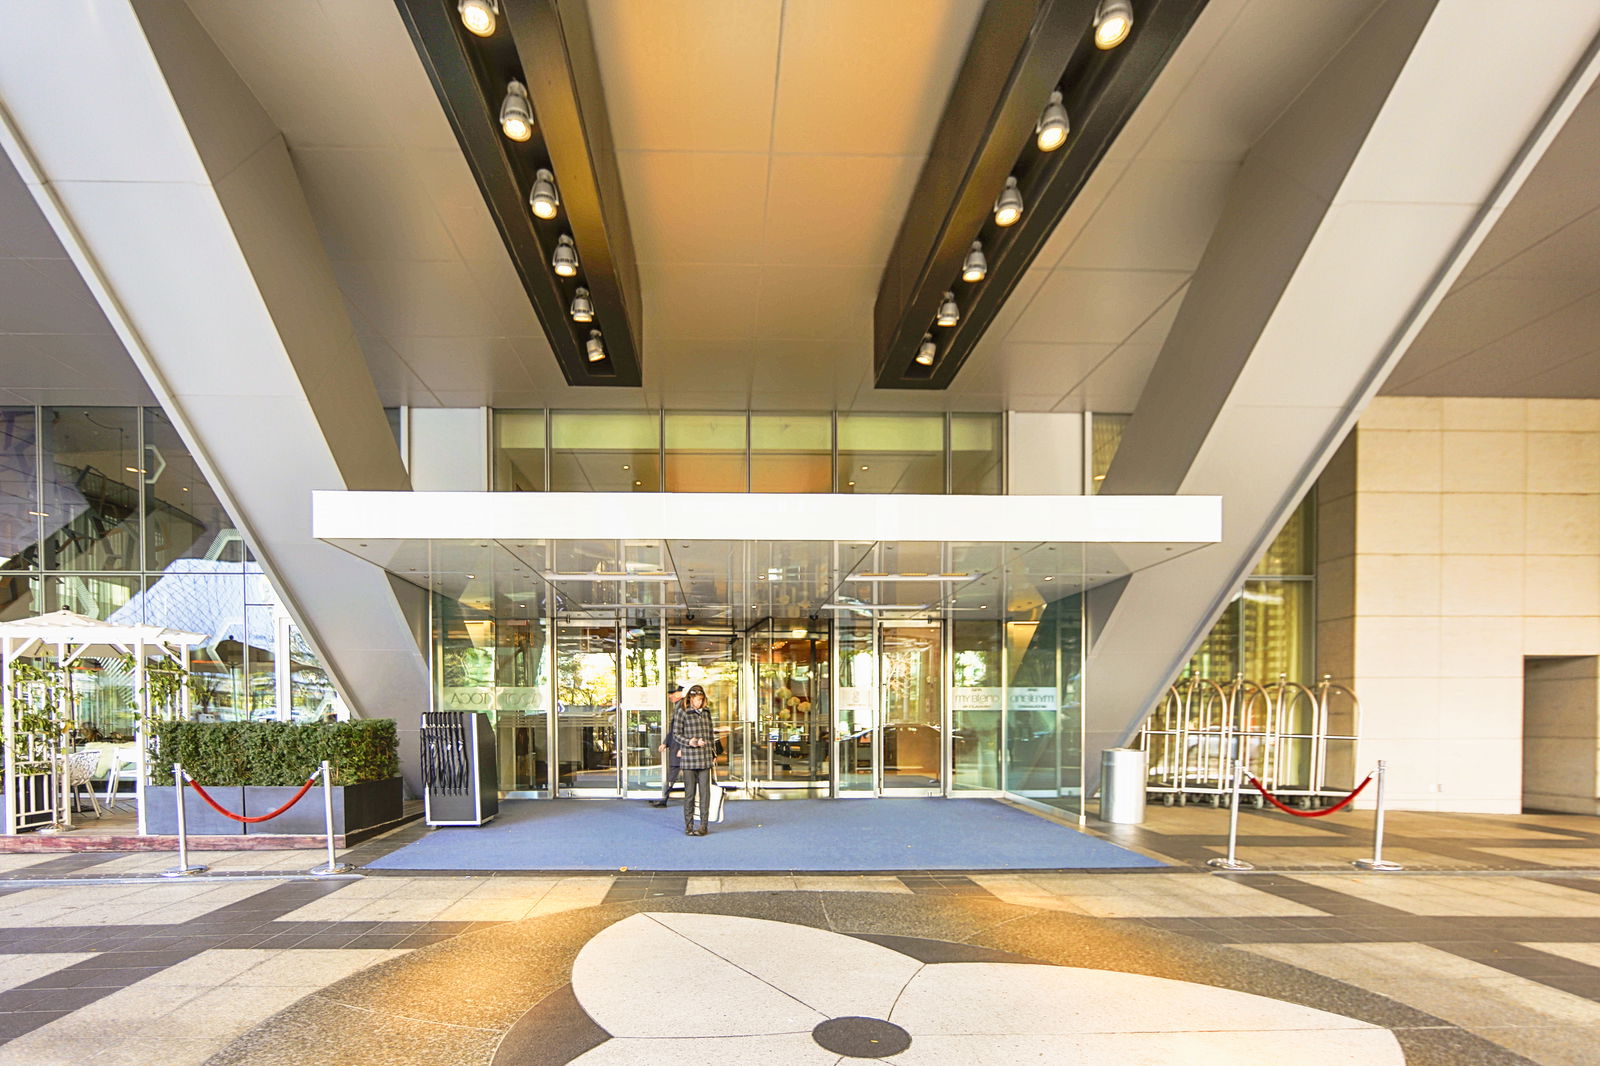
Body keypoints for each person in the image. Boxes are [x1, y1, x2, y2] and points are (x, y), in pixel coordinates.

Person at [671, 684, 717, 836]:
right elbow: (676, 734)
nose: (698, 702)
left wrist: (713, 754)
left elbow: (710, 735)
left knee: (705, 794)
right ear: (690, 699)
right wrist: (691, 741)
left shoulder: (707, 712)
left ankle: (703, 826)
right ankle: (689, 825)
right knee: (689, 794)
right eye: (696, 699)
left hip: (704, 758)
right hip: (690, 758)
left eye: (701, 699)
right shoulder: (682, 712)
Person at [649, 683, 685, 808]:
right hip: (677, 746)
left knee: (675, 773)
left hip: (680, 747)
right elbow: (674, 729)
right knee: (686, 773)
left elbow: (684, 730)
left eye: (672, 693)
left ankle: (663, 798)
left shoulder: (683, 707)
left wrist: (682, 748)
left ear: (679, 694)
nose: (669, 696)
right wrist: (665, 743)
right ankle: (663, 797)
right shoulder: (678, 706)